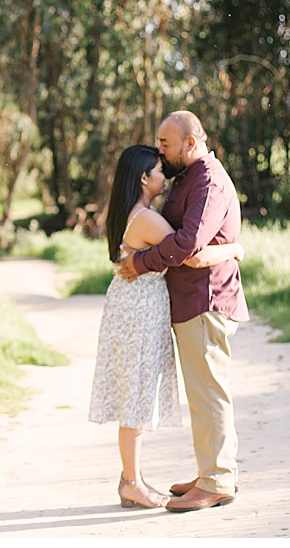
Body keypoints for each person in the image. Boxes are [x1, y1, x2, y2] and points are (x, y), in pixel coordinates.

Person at [89, 144, 244, 509]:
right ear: (144, 178)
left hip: (132, 306)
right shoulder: (144, 217)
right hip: (139, 310)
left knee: (136, 392)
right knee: (136, 395)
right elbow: (190, 253)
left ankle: (142, 478)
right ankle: (131, 482)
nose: (165, 176)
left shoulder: (135, 213)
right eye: (159, 170)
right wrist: (234, 249)